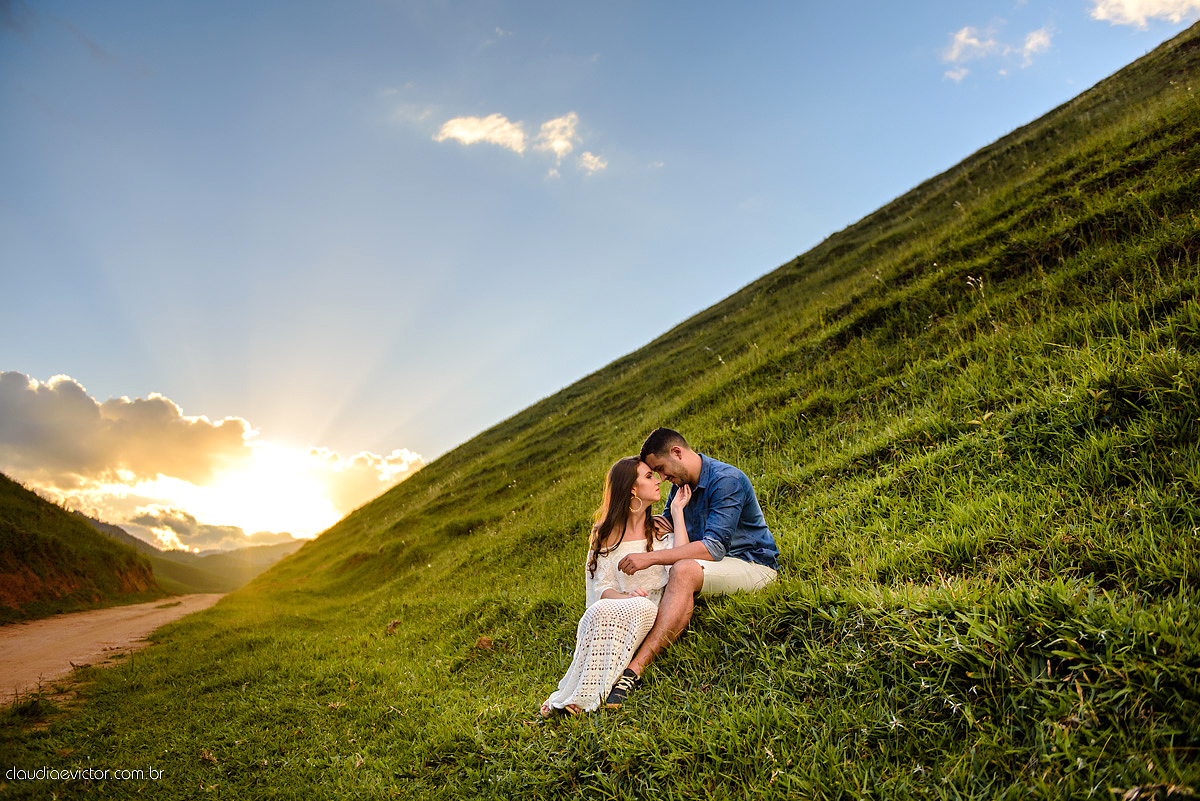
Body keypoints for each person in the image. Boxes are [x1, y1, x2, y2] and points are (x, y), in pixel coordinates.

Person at [603, 427, 779, 708]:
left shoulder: (726, 480)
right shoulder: (680, 486)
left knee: (682, 569)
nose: (662, 478)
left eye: (660, 469)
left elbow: (713, 548)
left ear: (677, 453)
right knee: (677, 569)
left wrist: (649, 559)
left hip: (754, 565)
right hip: (715, 567)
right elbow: (670, 524)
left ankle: (634, 671)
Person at [539, 456, 689, 715]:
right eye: (649, 477)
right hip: (618, 604)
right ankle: (572, 693)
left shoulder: (659, 529)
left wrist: (677, 513)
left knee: (639, 606)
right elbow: (601, 588)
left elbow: (683, 559)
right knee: (599, 611)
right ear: (632, 488)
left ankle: (586, 698)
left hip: (653, 609)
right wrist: (625, 596)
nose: (658, 482)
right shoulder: (604, 534)